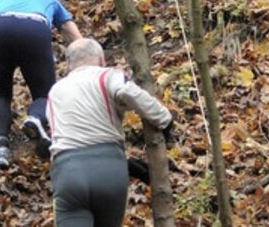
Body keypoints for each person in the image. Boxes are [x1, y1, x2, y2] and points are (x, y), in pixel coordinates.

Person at [47, 38, 174, 226]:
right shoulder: (107, 75)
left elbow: (60, 136)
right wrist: (164, 119)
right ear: (100, 59)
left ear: (69, 64)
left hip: (68, 172)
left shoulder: (55, 91)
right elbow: (126, 91)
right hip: (109, 171)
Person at [0, 0, 82, 170]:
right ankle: (36, 119)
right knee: (44, 94)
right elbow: (73, 35)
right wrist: (87, 70)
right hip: (34, 27)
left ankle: (0, 149)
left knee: (1, 94)